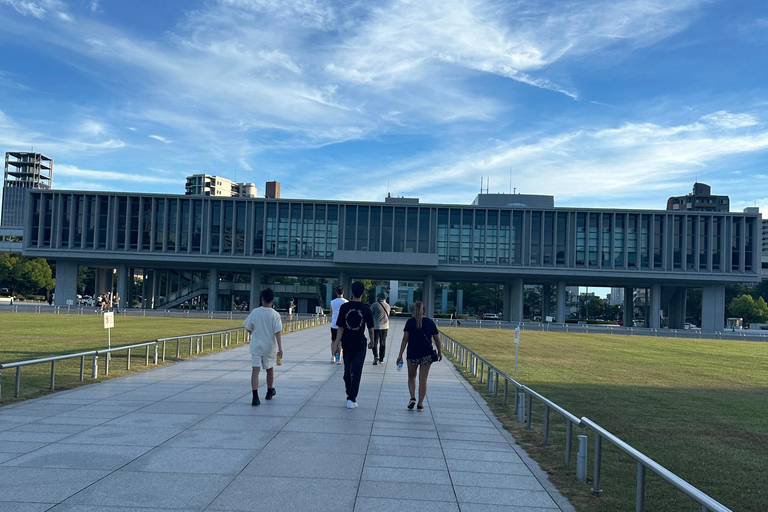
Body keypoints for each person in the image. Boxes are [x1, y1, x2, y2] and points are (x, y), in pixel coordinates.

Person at [396, 301, 442, 412]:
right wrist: (439, 352)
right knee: (423, 379)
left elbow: (405, 339)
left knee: (411, 377)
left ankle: (412, 397)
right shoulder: (430, 322)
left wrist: (400, 354)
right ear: (424, 311)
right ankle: (420, 404)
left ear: (413, 311)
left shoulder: (410, 322)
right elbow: (437, 339)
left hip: (412, 354)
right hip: (426, 354)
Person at [335, 281, 374, 408]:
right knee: (355, 371)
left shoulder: (345, 308)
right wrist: (372, 341)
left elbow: (340, 328)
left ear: (352, 291)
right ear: (363, 292)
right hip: (359, 343)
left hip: (347, 342)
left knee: (348, 370)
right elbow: (370, 328)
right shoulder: (366, 309)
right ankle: (351, 397)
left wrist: (336, 344)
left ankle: (350, 396)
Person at [243, 288, 283, 406]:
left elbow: (248, 327)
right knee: (269, 369)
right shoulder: (275, 314)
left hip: (256, 345)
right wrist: (280, 348)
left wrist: (255, 334)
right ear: (272, 300)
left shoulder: (255, 312)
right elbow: (278, 332)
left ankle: (255, 396)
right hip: (270, 346)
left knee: (255, 370)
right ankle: (269, 391)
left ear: (262, 299)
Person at [370, 292, 391, 365]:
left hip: (376, 326)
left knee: (375, 342)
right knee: (383, 342)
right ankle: (382, 358)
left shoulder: (375, 305)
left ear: (379, 297)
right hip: (385, 326)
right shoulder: (388, 306)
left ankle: (376, 356)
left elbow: (370, 314)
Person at [330, 286, 347, 364]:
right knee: (340, 341)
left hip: (334, 324)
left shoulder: (332, 302)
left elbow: (331, 312)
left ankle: (332, 356)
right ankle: (339, 357)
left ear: (336, 293)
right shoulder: (346, 302)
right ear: (343, 292)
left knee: (334, 341)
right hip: (342, 324)